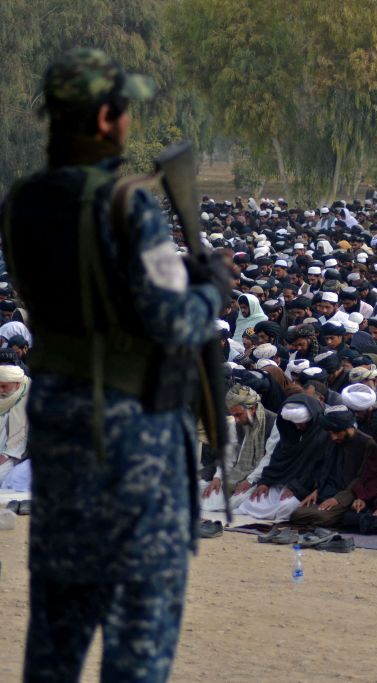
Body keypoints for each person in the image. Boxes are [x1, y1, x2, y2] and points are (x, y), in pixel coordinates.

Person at [1, 49, 228, 681]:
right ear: (105, 117)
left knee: (57, 632)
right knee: (137, 637)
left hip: (59, 425)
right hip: (135, 440)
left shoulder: (21, 202)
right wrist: (211, 289)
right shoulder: (129, 205)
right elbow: (175, 320)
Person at [236, 395, 331, 522]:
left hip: (304, 488)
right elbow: (277, 460)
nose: (297, 427)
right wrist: (265, 482)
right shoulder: (290, 433)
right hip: (282, 482)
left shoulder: (323, 437)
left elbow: (319, 470)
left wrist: (297, 488)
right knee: (253, 502)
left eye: (301, 424)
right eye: (294, 424)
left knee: (286, 507)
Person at [289, 406, 376, 528]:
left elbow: (362, 478)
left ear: (348, 427)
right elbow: (326, 469)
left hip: (349, 494)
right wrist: (317, 490)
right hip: (328, 490)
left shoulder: (367, 443)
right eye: (331, 433)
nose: (333, 437)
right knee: (296, 513)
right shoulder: (334, 441)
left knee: (321, 517)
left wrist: (338, 500)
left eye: (336, 432)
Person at [198, 385, 279, 512]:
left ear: (252, 408)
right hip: (236, 473)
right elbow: (229, 453)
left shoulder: (274, 423)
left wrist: (250, 480)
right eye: (233, 415)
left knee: (240, 503)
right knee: (204, 493)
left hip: (260, 477)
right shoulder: (236, 425)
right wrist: (218, 477)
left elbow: (270, 458)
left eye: (238, 415)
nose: (235, 419)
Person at [0, 364, 30, 487]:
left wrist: (4, 456)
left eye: (4, 386)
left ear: (17, 384)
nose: (0, 390)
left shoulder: (26, 400)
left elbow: (17, 442)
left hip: (12, 456)